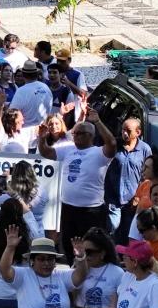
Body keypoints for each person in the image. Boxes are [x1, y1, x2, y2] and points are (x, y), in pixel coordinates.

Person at [41, 108, 116, 260]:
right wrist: (42, 138)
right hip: (68, 208)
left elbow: (112, 143)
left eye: (79, 133)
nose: (74, 136)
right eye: (74, 133)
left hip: (91, 211)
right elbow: (46, 153)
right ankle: (73, 269)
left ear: (90, 136)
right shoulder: (68, 149)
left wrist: (98, 121)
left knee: (93, 246)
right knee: (69, 244)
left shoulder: (99, 153)